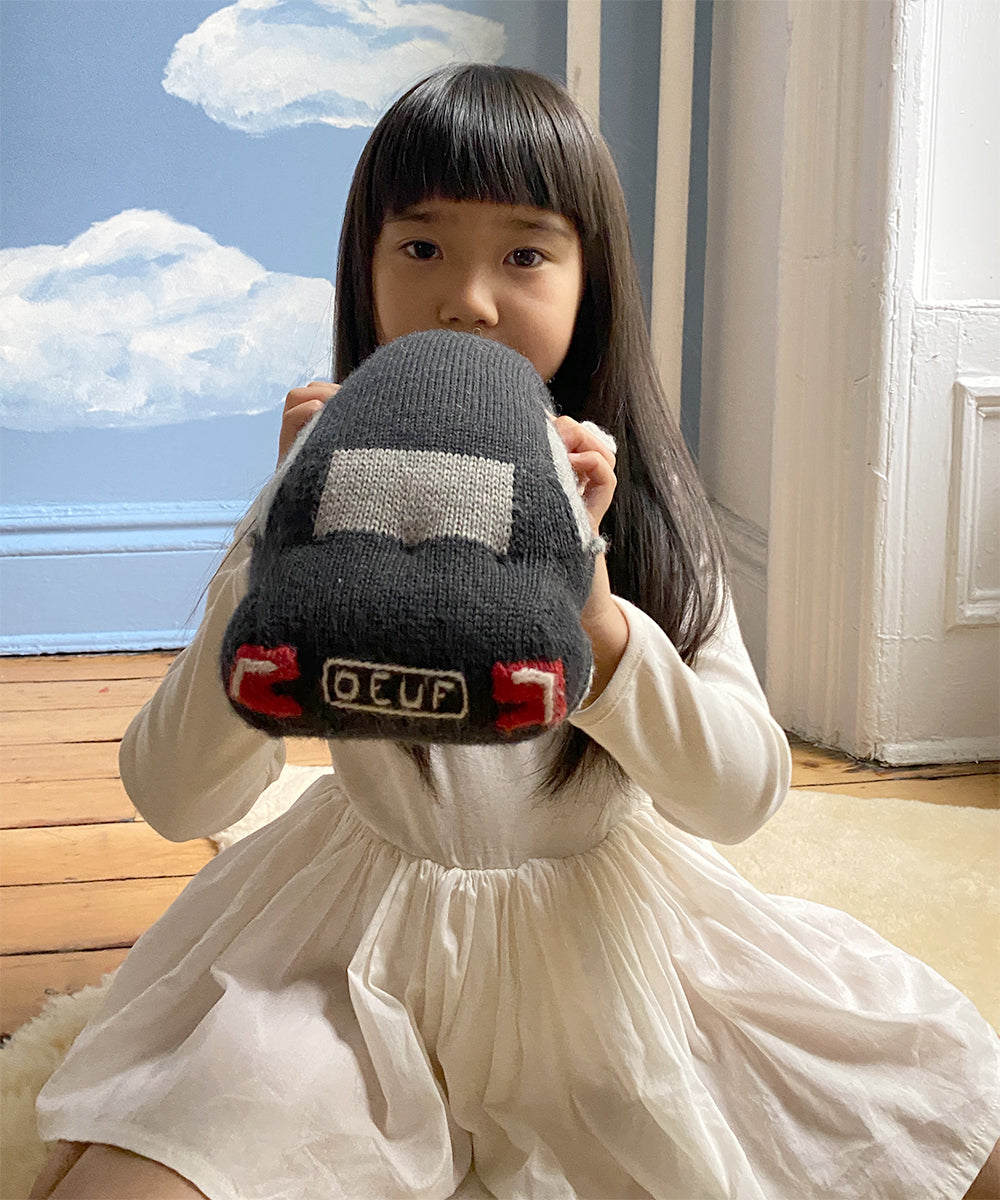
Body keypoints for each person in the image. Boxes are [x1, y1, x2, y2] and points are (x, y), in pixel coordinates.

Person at [31, 64, 1000, 1200]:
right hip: (353, 948)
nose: (471, 301)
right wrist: (278, 557)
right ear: (366, 266)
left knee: (920, 1115)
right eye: (423, 248)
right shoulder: (317, 493)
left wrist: (592, 622)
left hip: (612, 944)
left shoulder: (641, 505)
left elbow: (739, 796)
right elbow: (177, 799)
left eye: (526, 254)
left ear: (593, 281)